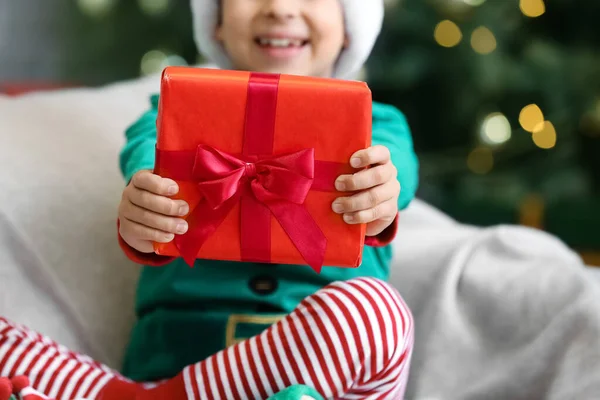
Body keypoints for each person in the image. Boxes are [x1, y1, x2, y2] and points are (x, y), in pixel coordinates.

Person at [0, 0, 420, 399]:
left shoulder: (379, 128)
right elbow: (149, 165)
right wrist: (146, 214)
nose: (280, 8)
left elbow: (392, 179)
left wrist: (378, 197)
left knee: (378, 315)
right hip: (174, 363)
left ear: (350, 25)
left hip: (326, 381)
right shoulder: (169, 114)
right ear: (216, 19)